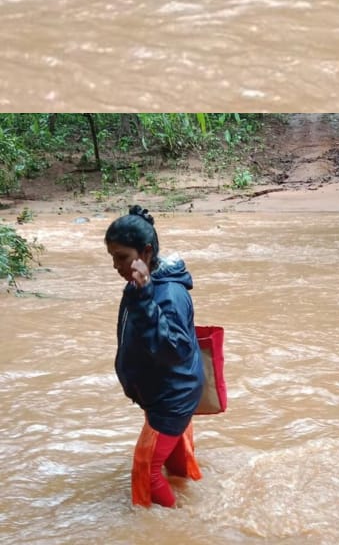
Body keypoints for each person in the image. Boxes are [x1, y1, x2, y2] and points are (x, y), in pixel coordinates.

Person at [105, 206, 204, 507]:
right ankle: (191, 516)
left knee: (146, 472)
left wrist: (145, 294)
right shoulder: (142, 285)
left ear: (146, 252)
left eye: (121, 257)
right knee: (173, 468)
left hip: (171, 397)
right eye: (112, 257)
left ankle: (174, 531)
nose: (115, 265)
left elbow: (173, 350)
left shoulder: (167, 293)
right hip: (168, 392)